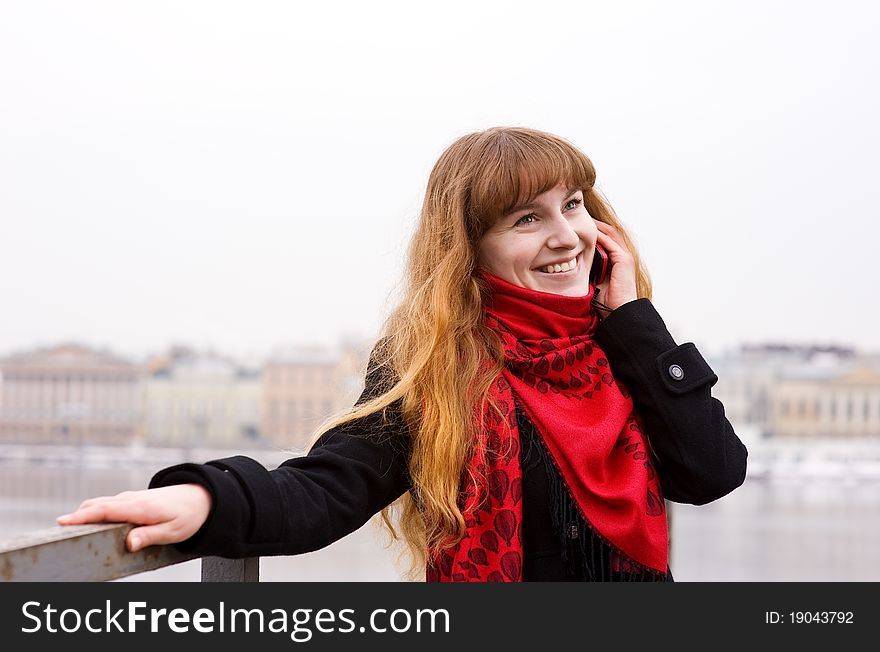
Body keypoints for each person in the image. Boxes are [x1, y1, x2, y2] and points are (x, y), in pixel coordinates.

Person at [57, 126, 748, 582]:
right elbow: (330, 487)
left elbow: (712, 472)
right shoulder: (439, 364)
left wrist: (632, 319)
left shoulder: (622, 349)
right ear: (469, 248)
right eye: (526, 219)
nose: (567, 236)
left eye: (572, 204)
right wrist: (211, 497)